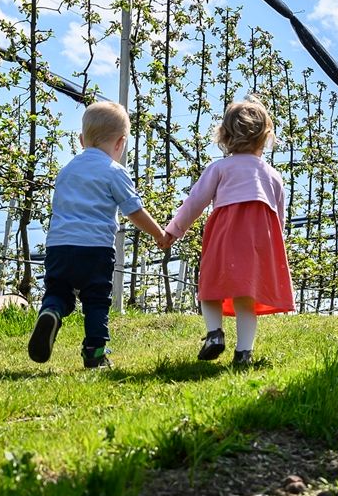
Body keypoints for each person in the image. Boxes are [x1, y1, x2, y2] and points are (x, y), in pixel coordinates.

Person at [28, 100, 166, 370]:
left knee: (58, 290)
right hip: (95, 248)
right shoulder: (114, 171)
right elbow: (133, 211)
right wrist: (159, 233)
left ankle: (51, 311)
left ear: (81, 139)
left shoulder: (66, 171)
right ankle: (95, 352)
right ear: (121, 143)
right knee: (95, 299)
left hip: (59, 246)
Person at [159, 99, 294, 368]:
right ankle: (243, 353)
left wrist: (174, 230)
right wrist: (275, 252)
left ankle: (214, 334)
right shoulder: (273, 175)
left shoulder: (219, 168)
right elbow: (279, 219)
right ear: (266, 137)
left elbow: (195, 202)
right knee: (247, 296)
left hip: (226, 233)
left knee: (211, 285)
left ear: (225, 136)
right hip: (260, 241)